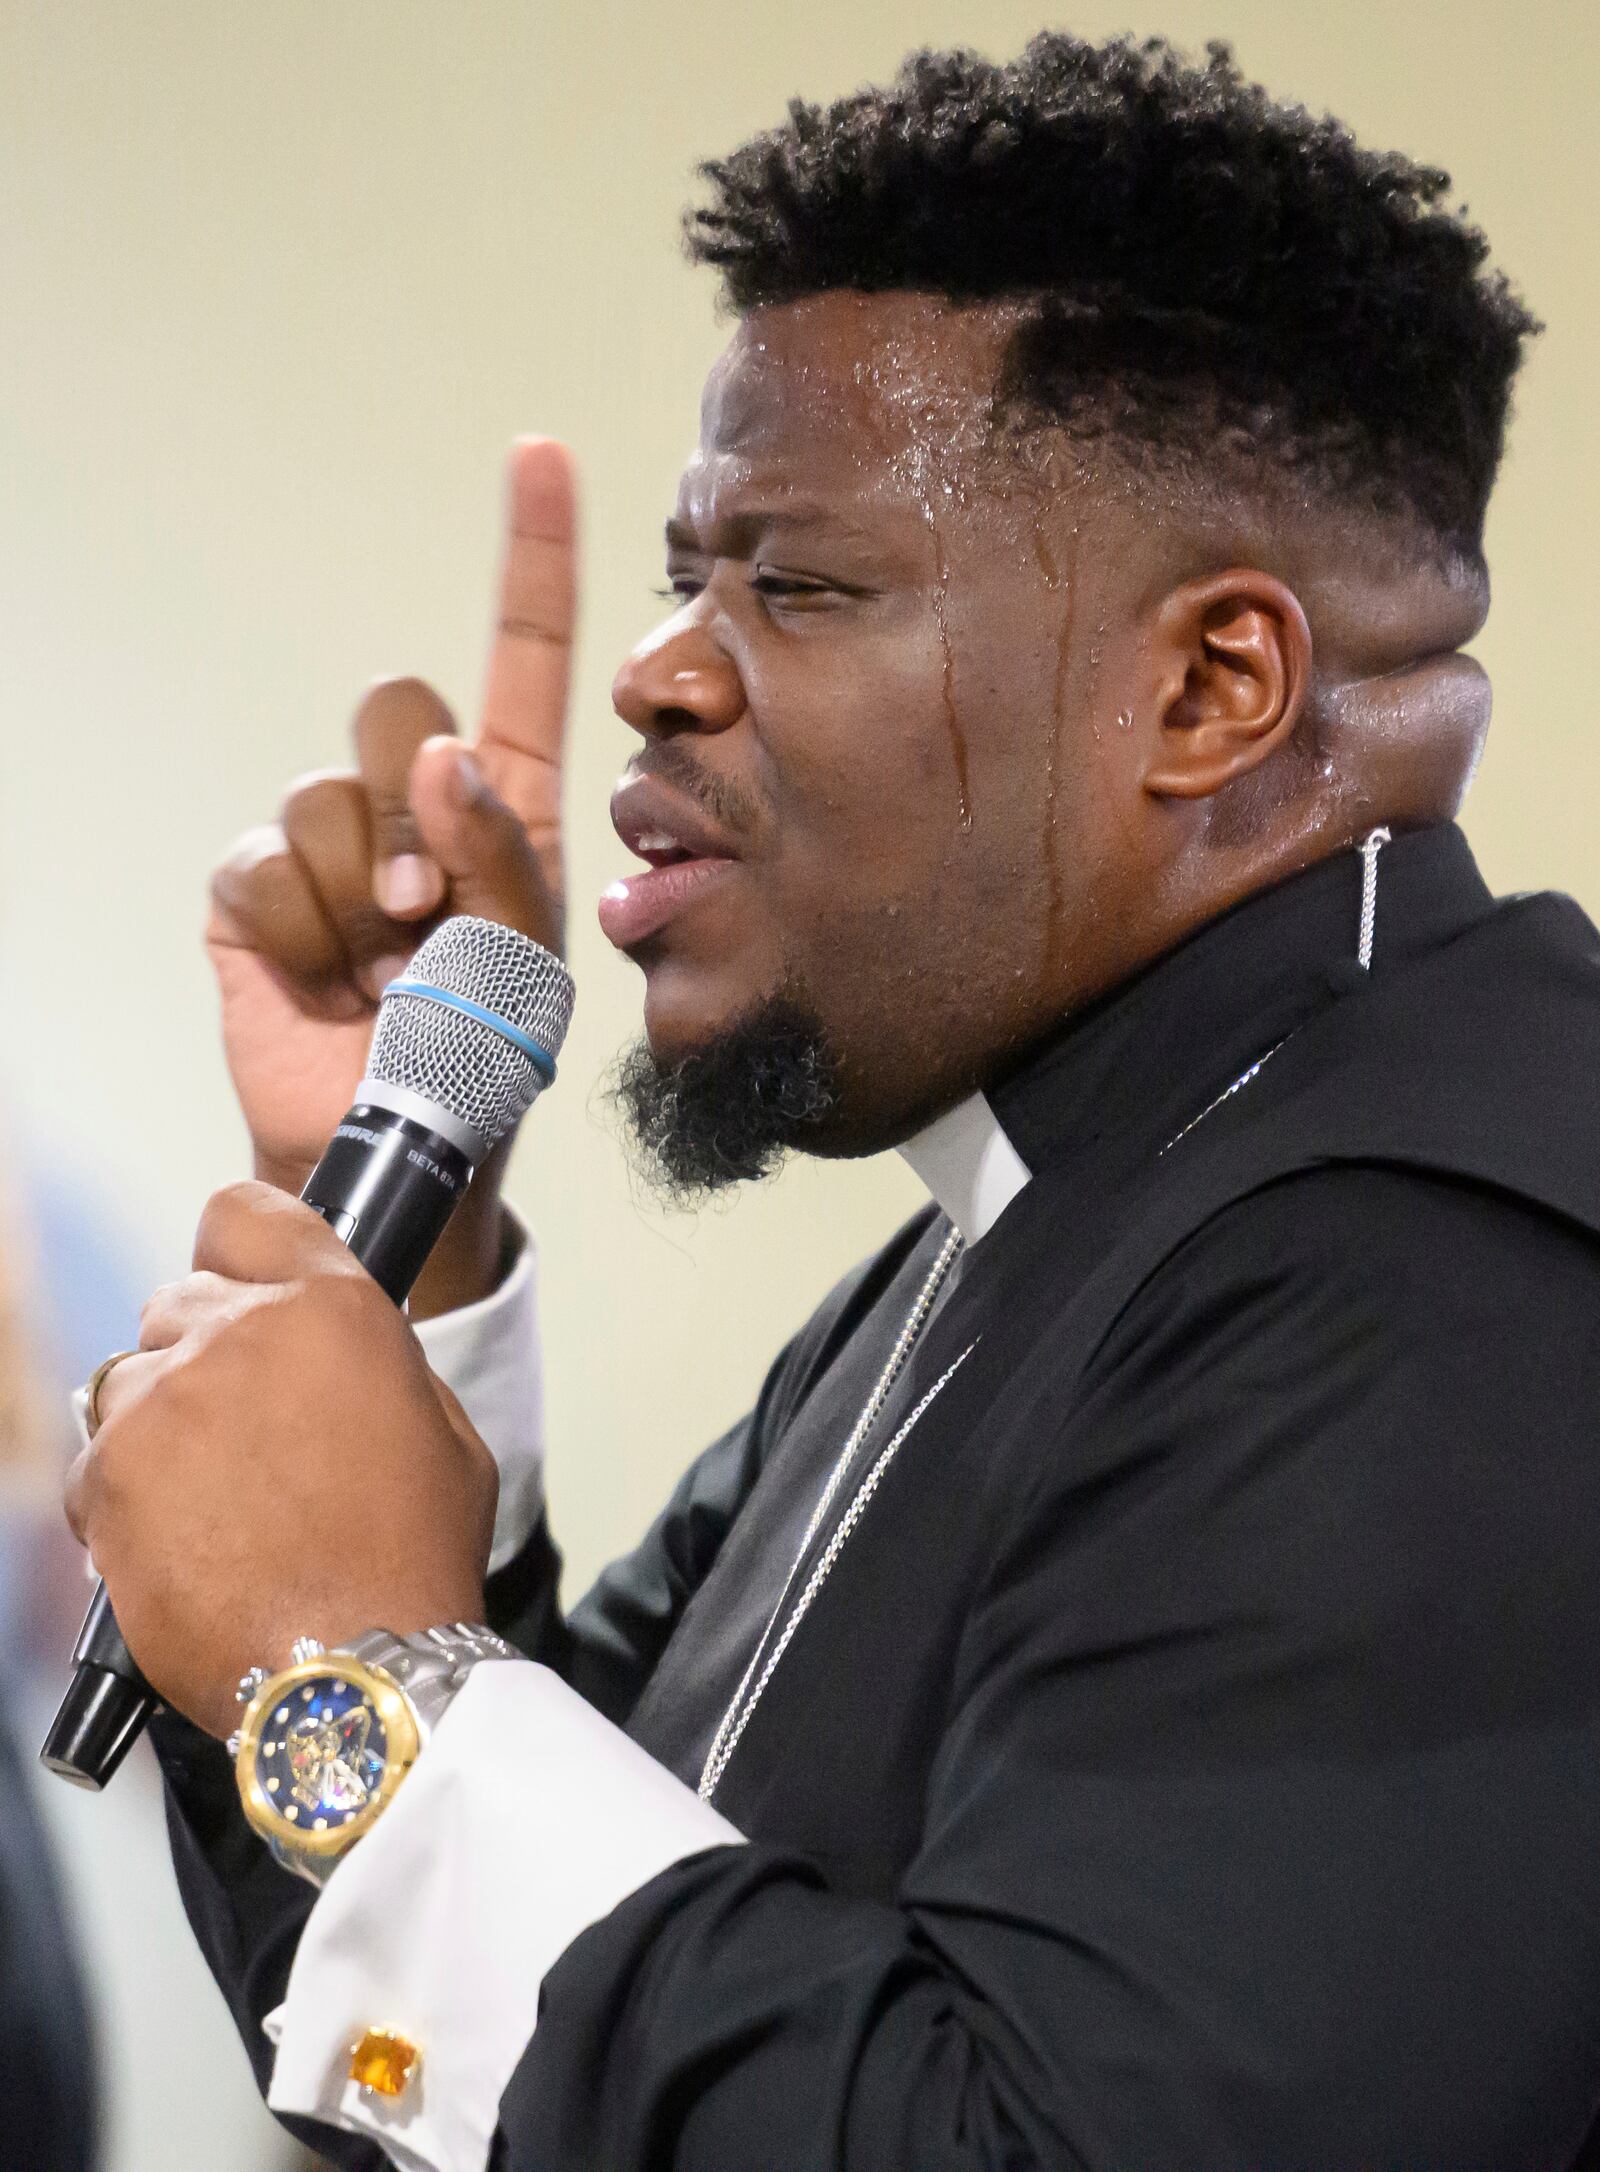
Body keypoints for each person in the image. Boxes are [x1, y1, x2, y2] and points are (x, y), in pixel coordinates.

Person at [60, 31, 1600, 2170]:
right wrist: (402, 1254)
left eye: (792, 583)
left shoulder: (1432, 1280)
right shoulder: (1038, 1212)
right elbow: (489, 2068)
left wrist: (362, 1679)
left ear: (1204, 690)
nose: (660, 668)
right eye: (688, 572)